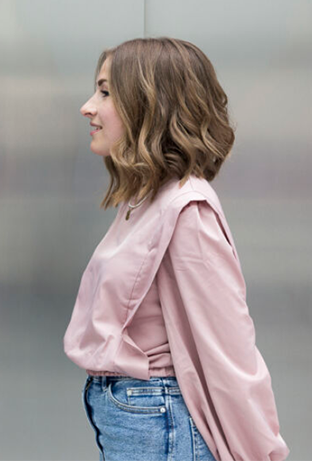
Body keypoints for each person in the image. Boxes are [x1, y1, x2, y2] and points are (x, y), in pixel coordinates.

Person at [63, 38, 289, 461]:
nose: (88, 106)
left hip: (158, 423)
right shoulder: (148, 200)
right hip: (138, 419)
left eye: (106, 92)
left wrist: (264, 454)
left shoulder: (187, 210)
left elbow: (229, 351)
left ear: (150, 104)